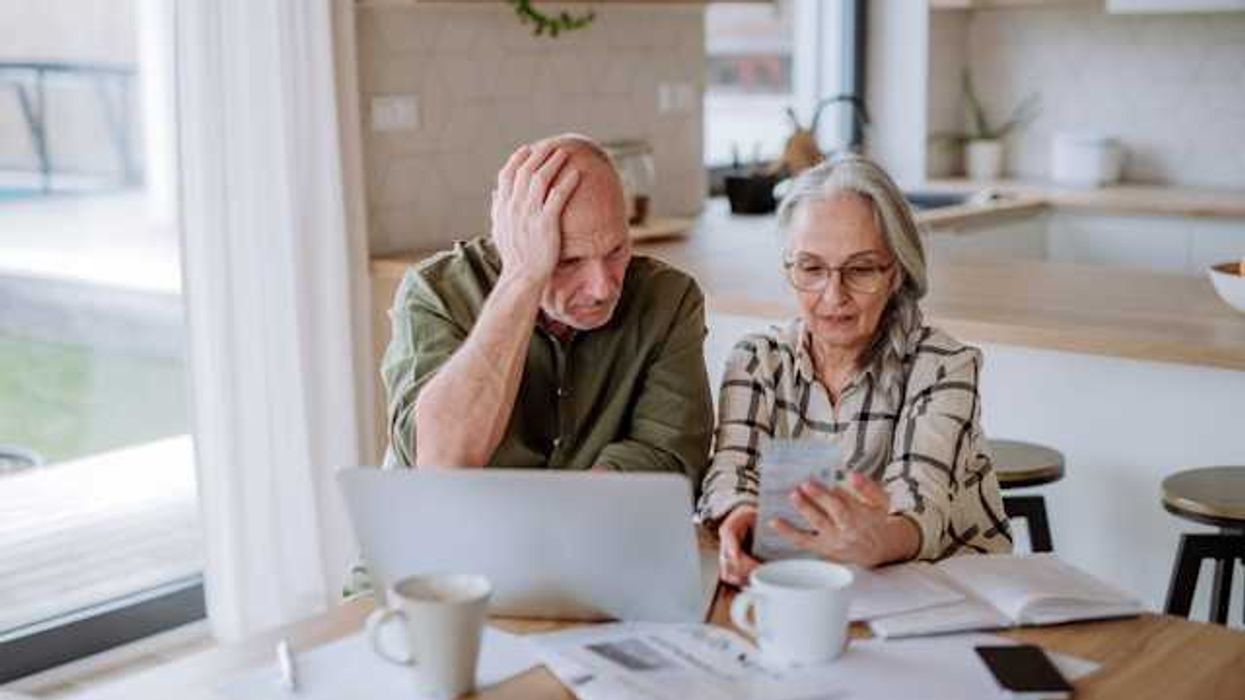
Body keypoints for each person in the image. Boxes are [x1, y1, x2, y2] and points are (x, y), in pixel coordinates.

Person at [697, 154, 1012, 584]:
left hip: (947, 591)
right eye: (811, 268)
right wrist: (740, 515)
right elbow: (730, 471)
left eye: (861, 269)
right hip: (811, 587)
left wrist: (878, 539)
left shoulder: (942, 366)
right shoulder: (757, 360)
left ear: (896, 273)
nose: (833, 295)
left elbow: (923, 502)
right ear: (790, 268)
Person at [380, 133, 713, 491]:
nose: (602, 287)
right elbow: (441, 462)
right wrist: (522, 279)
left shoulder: (670, 300)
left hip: (596, 532)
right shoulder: (436, 292)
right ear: (513, 241)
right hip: (463, 538)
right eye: (568, 261)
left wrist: (562, 516)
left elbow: (671, 455)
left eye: (616, 249)